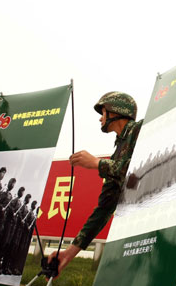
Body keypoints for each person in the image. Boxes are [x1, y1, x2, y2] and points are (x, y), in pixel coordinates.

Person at [48, 91, 143, 277]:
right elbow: (104, 208)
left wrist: (97, 164)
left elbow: (138, 172)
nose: (100, 119)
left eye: (103, 113)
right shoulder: (119, 150)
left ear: (115, 112)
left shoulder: (141, 129)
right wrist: (69, 253)